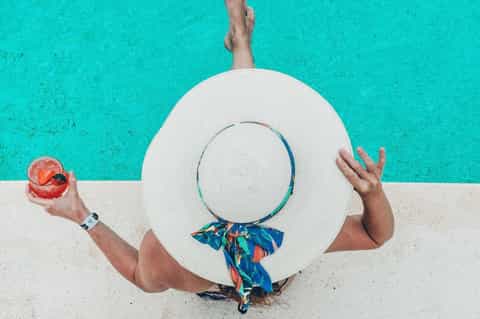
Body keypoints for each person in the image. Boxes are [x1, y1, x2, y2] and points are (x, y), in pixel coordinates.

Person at [25, 0, 394, 311]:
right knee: (248, 148)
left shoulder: (169, 258)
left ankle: (241, 47)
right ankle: (241, 47)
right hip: (273, 260)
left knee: (236, 145)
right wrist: (371, 193)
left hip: (221, 266)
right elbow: (376, 236)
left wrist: (82, 215)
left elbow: (140, 275)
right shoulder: (303, 235)